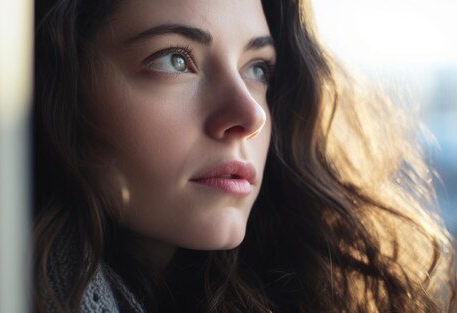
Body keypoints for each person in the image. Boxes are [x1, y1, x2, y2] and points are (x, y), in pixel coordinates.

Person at [32, 0, 457, 312]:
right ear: (60, 86)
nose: (250, 115)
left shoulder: (314, 287)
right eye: (176, 60)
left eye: (257, 69)